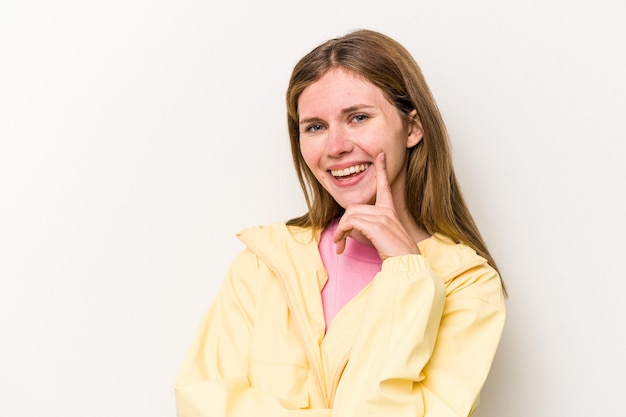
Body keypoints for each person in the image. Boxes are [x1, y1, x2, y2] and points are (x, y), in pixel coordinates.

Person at [174, 29, 506, 417]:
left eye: (358, 117)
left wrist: (407, 273)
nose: (335, 147)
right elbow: (201, 403)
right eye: (315, 126)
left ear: (413, 128)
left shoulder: (467, 284)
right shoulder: (264, 263)